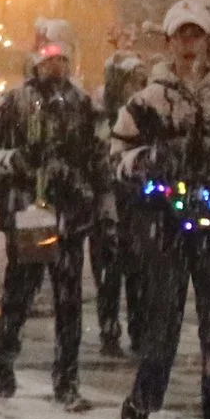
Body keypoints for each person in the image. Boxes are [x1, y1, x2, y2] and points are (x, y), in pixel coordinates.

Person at [112, 0, 210, 419]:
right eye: (181, 35)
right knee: (163, 334)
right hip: (165, 227)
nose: (190, 44)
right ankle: (138, 410)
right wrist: (150, 165)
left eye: (197, 35)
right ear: (169, 43)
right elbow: (118, 161)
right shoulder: (146, 100)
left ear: (208, 42)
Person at [0, 23, 103, 408]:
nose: (55, 68)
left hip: (70, 215)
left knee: (69, 303)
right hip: (31, 216)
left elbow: (96, 158)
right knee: (19, 294)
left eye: (62, 61)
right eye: (49, 60)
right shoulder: (15, 102)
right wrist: (17, 161)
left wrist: (92, 195)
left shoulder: (83, 105)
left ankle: (66, 380)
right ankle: (3, 365)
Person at [92, 51, 150, 357]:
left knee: (139, 273)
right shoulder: (104, 116)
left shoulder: (144, 113)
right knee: (110, 274)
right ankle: (109, 330)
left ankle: (139, 331)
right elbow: (100, 156)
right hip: (109, 205)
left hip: (138, 203)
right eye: (131, 83)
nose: (137, 88)